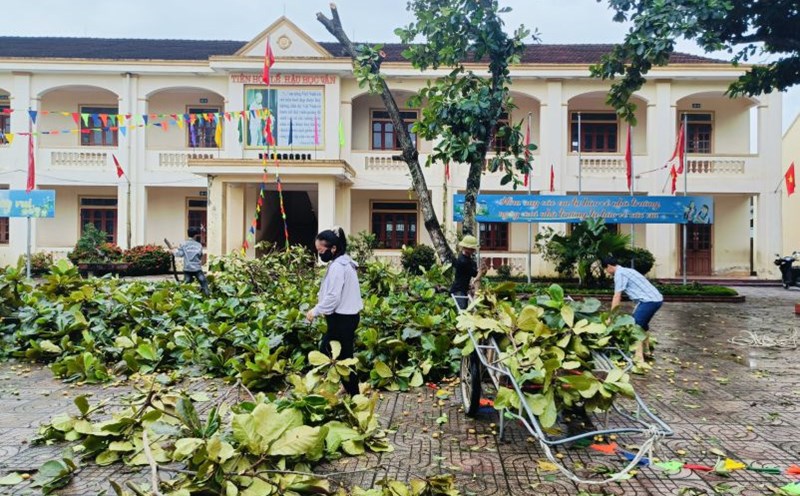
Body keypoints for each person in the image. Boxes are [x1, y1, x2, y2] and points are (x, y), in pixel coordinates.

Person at [306, 227, 363, 396]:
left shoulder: (339, 266)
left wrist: (315, 311)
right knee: (343, 355)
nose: (320, 254)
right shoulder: (344, 262)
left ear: (333, 248)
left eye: (321, 251)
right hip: (347, 317)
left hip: (342, 319)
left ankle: (354, 394)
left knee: (330, 353)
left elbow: (333, 297)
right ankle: (348, 387)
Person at [601, 256, 663, 362]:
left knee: (635, 326)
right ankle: (647, 351)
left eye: (606, 269)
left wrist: (611, 316)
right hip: (655, 299)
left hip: (649, 301)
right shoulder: (627, 270)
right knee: (643, 325)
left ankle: (639, 357)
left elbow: (617, 296)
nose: (607, 272)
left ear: (609, 266)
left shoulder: (619, 274)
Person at [450, 235, 486, 310]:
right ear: (467, 248)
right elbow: (475, 274)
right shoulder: (463, 261)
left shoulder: (468, 259)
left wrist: (483, 270)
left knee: (465, 310)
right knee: (462, 311)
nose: (474, 250)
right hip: (459, 291)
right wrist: (480, 271)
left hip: (464, 289)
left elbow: (475, 273)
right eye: (472, 248)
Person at [174, 227, 210, 296]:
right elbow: (200, 255)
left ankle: (184, 297)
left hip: (187, 268)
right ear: (195, 235)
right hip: (197, 268)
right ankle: (207, 296)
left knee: (186, 285)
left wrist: (173, 251)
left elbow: (179, 254)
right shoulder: (199, 245)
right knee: (203, 282)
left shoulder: (183, 244)